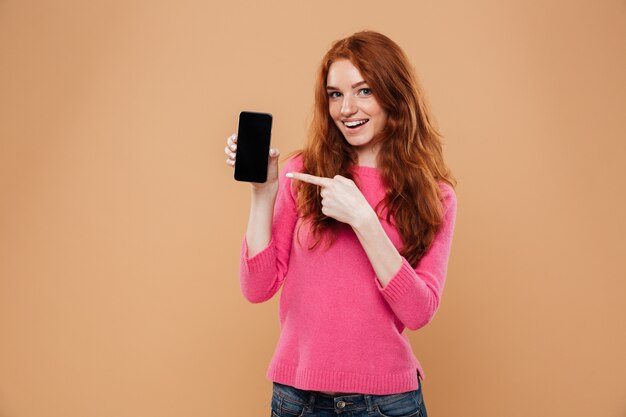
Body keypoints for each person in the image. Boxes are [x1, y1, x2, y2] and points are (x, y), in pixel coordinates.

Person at [225, 30, 457, 417]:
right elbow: (256, 287)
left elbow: (419, 312)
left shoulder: (436, 196)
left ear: (394, 95)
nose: (347, 108)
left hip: (386, 404)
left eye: (364, 91)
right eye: (336, 94)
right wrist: (263, 192)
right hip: (297, 400)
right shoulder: (304, 173)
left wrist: (364, 220)